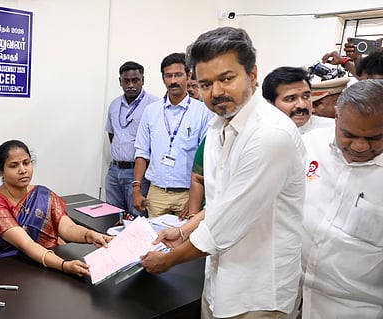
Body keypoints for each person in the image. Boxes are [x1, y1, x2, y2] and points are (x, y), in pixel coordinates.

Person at [141, 27, 306, 319]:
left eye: (226, 79)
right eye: (205, 84)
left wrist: (166, 262)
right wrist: (182, 230)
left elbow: (224, 227)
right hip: (220, 282)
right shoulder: (219, 124)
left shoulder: (269, 135)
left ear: (252, 75)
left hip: (258, 294)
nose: (215, 92)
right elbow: (221, 202)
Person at [301, 79, 383, 318]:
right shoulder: (309, 146)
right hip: (290, 296)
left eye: (373, 138)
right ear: (336, 118)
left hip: (354, 310)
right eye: (349, 135)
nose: (359, 146)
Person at [0, 140, 112, 277]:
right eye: (14, 166)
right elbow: (26, 243)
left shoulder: (42, 194)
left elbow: (67, 228)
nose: (23, 170)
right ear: (1, 172)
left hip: (39, 261)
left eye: (26, 163)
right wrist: (64, 265)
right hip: (0, 267)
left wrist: (91, 235)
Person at [132, 52, 213, 218]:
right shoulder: (151, 112)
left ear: (188, 76)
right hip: (157, 194)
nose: (173, 81)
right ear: (163, 79)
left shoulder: (203, 112)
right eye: (168, 76)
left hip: (188, 194)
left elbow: (206, 158)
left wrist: (195, 197)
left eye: (178, 75)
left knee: (185, 240)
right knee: (154, 240)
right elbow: (141, 152)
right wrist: (136, 189)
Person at [105, 61, 161, 216]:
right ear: (120, 82)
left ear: (143, 80)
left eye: (135, 80)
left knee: (137, 219)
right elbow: (112, 134)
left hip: (137, 173)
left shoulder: (155, 105)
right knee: (112, 216)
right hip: (114, 171)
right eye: (126, 81)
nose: (131, 85)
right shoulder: (114, 105)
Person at [262, 66, 334, 134]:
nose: (302, 105)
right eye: (291, 99)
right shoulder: (260, 134)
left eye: (306, 97)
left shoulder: (332, 130)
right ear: (270, 104)